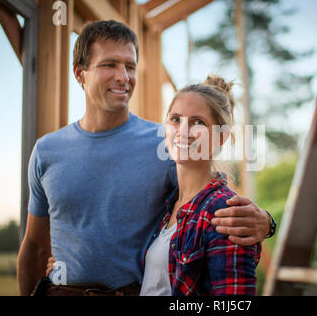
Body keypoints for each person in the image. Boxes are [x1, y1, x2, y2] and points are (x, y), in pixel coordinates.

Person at [17, 20, 275, 296]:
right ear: (80, 74)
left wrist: (266, 222)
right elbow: (34, 246)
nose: (123, 76)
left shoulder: (166, 143)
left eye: (130, 66)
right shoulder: (47, 150)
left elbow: (214, 202)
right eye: (109, 65)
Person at [139, 75, 261, 295]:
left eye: (198, 122)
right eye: (175, 119)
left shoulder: (225, 213)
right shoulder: (166, 203)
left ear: (221, 137)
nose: (183, 131)